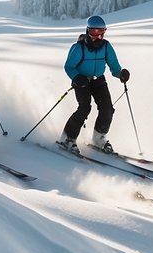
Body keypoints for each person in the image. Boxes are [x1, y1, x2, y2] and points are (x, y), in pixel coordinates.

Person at [56, 15, 130, 155]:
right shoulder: (79, 48)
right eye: (93, 32)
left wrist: (121, 74)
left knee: (107, 109)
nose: (97, 36)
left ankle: (99, 139)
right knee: (84, 108)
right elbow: (69, 67)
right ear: (87, 31)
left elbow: (114, 66)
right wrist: (77, 77)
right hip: (82, 81)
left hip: (98, 80)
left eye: (101, 32)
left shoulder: (106, 46)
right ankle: (68, 139)